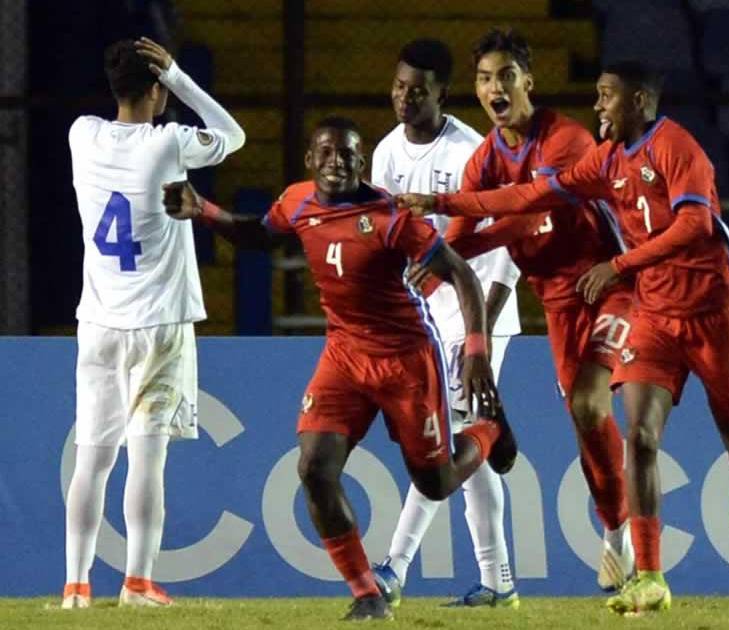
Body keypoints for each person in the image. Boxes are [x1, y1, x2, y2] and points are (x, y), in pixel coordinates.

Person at [399, 60, 729, 616]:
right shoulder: (605, 161)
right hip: (654, 314)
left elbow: (695, 226)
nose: (597, 106)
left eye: (606, 96)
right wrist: (441, 205)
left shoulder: (678, 149)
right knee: (642, 436)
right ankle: (650, 576)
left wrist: (620, 265)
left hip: (715, 311)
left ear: (639, 102)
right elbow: (530, 197)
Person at [162, 116, 517, 621]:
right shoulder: (297, 201)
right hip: (345, 356)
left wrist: (477, 351)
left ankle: (486, 429)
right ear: (310, 159)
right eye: (326, 153)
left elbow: (461, 275)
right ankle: (368, 594)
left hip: (405, 360)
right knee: (314, 469)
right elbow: (260, 235)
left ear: (361, 161)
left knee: (435, 483)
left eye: (347, 154)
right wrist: (204, 210)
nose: (336, 162)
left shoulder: (389, 216)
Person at [408, 28, 637, 596]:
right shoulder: (486, 159)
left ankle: (625, 538)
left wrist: (445, 209)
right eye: (485, 79)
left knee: (589, 403)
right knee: (586, 423)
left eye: (506, 76)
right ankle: (618, 532)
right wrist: (432, 265)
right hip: (559, 305)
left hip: (611, 284)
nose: (496, 88)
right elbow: (461, 239)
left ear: (528, 82)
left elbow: (534, 208)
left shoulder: (566, 140)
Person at [63, 37, 245, 609]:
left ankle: (75, 587)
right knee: (147, 457)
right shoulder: (168, 142)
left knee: (92, 458)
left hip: (98, 322)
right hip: (158, 325)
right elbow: (233, 135)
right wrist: (181, 76)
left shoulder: (81, 135)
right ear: (158, 89)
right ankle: (137, 583)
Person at [368, 39, 524, 608]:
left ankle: (394, 568)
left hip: (478, 313)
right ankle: (498, 582)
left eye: (418, 90)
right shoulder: (386, 152)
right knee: (471, 459)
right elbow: (386, 238)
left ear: (443, 94)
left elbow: (507, 249)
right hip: (429, 319)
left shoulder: (470, 153)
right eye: (399, 86)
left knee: (445, 441)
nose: (405, 98)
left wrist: (479, 338)